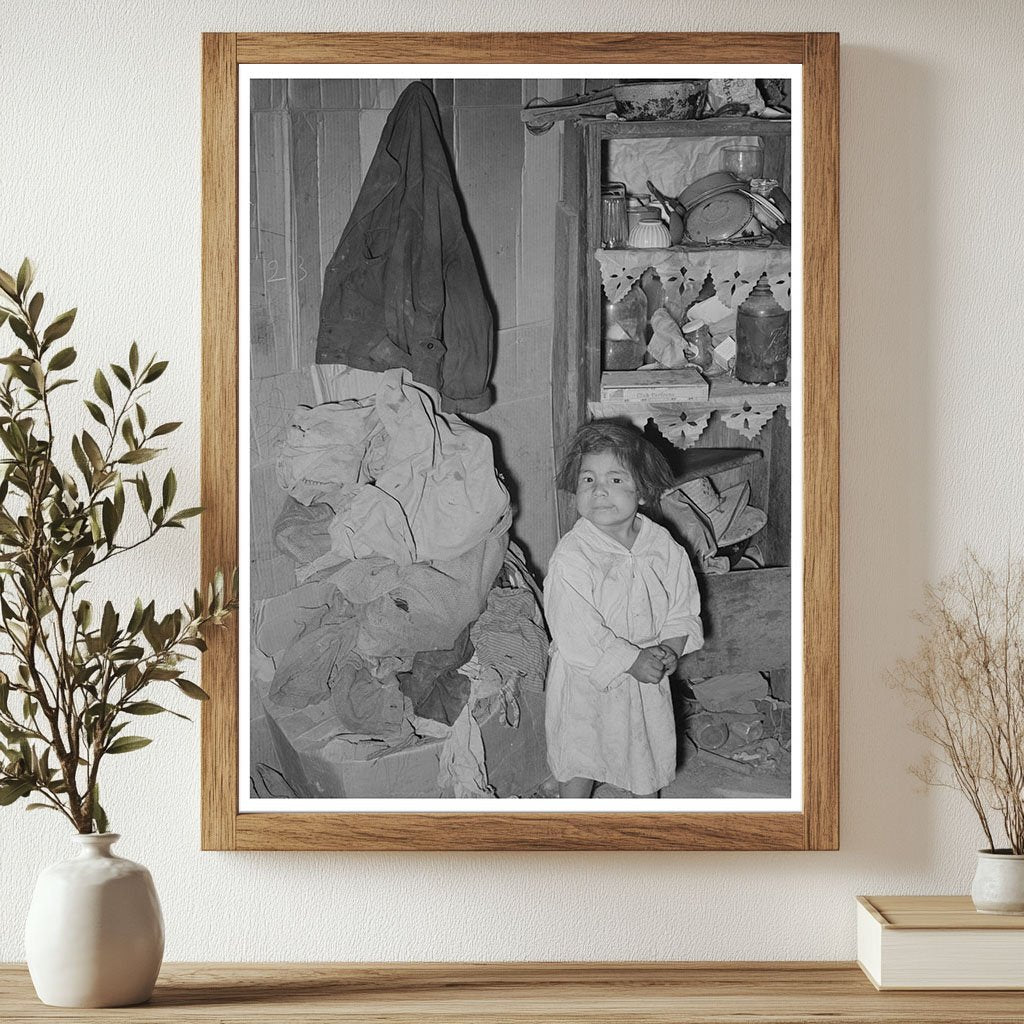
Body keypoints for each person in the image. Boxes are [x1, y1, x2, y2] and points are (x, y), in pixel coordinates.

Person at [544, 421, 704, 798]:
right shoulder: (572, 556)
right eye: (588, 480)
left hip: (645, 676)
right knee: (581, 753)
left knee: (643, 754)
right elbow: (575, 630)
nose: (599, 489)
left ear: (644, 492)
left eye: (615, 480)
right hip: (587, 677)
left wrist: (671, 648)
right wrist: (630, 660)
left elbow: (681, 605)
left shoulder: (662, 546)